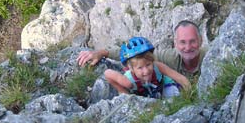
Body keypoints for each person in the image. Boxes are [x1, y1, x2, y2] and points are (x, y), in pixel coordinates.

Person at [77, 20, 206, 78]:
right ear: (175, 44)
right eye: (183, 42)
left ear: (200, 41)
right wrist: (102, 53)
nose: (188, 47)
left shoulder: (213, 56)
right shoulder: (170, 57)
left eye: (192, 41)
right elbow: (137, 53)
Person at [104, 36, 190, 98]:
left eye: (148, 64)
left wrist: (190, 94)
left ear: (152, 61)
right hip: (144, 95)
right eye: (140, 68)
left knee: (172, 96)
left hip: (163, 87)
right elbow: (107, 74)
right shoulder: (128, 79)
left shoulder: (157, 66)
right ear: (131, 68)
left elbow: (180, 78)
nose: (146, 71)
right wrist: (122, 86)